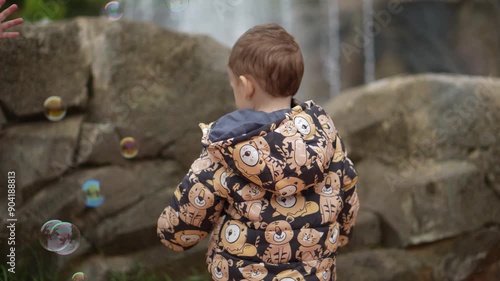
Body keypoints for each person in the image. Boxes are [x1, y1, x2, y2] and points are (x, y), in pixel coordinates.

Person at [157, 23, 359, 281]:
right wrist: (340, 236)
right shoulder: (326, 139)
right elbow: (348, 195)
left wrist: (169, 234)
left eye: (233, 85)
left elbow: (185, 221)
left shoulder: (226, 149)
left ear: (245, 85)